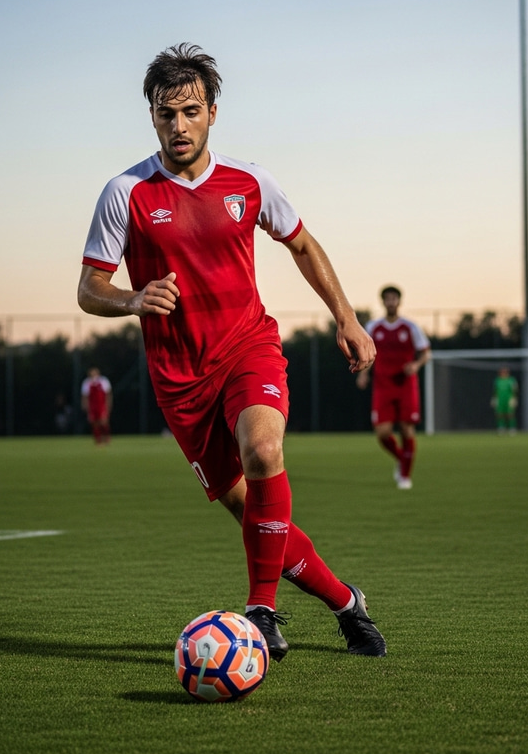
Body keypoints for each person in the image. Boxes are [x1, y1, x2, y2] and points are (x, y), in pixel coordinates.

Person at [77, 43, 385, 660]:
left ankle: (261, 613)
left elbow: (301, 244)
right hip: (180, 381)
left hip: (248, 347)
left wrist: (347, 318)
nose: (179, 125)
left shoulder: (248, 180)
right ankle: (348, 604)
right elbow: (90, 289)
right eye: (166, 114)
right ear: (152, 117)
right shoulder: (125, 192)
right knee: (254, 514)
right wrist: (134, 300)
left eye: (191, 111)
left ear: (213, 112)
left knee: (264, 448)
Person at [356, 285, 431, 490]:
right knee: (382, 433)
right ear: (383, 302)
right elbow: (367, 354)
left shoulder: (410, 327)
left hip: (406, 386)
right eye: (387, 299)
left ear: (399, 301)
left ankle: (405, 475)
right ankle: (402, 459)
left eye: (394, 298)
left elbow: (426, 352)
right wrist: (363, 374)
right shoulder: (373, 327)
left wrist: (416, 365)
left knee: (407, 429)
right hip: (383, 386)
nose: (391, 302)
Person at [81, 367, 112, 445]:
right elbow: (85, 396)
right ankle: (98, 439)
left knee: (103, 422)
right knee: (94, 423)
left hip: (101, 405)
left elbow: (108, 394)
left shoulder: (103, 381)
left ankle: (106, 437)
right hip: (92, 406)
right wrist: (85, 405)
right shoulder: (86, 383)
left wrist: (109, 404)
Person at [492, 366, 519, 434]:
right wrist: (494, 399)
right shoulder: (498, 380)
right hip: (500, 399)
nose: (503, 373)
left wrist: (514, 398)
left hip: (508, 399)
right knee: (500, 414)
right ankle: (501, 428)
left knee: (510, 414)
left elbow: (515, 390)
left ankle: (512, 428)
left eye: (505, 372)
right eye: (502, 372)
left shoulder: (511, 380)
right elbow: (495, 391)